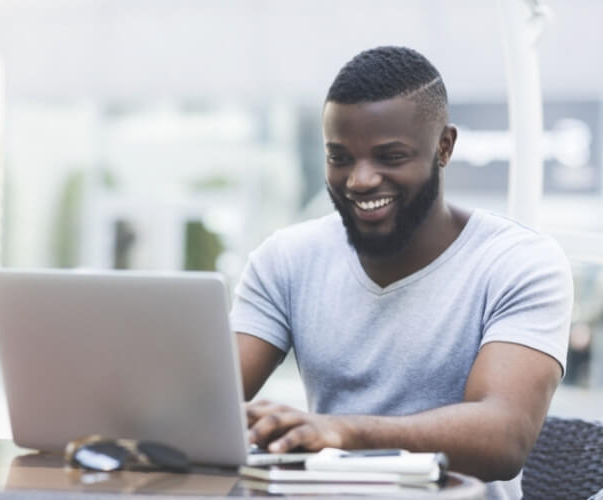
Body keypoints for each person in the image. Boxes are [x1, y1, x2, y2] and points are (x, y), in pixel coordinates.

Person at [230, 46, 572, 500]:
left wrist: (342, 432)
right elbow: (207, 405)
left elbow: (504, 438)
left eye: (389, 157)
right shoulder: (286, 259)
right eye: (340, 158)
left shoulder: (518, 263)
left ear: (444, 147)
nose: (360, 180)